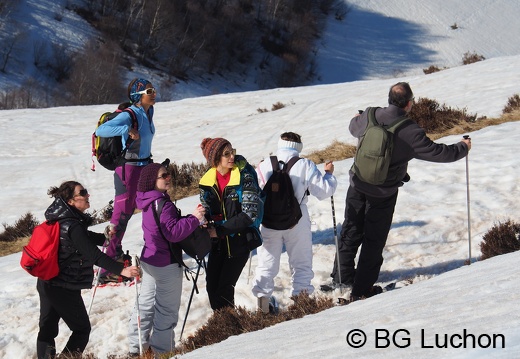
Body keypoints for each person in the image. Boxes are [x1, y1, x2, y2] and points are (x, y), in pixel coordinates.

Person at [328, 82, 471, 302]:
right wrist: (463, 146)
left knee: (351, 229)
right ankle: (361, 290)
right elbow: (440, 153)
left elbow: (352, 127)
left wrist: (359, 116)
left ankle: (341, 277)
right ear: (409, 104)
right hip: (383, 193)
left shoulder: (370, 115)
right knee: (373, 240)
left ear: (388, 98)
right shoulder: (410, 130)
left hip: (357, 184)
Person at [36, 181, 140, 359]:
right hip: (63, 286)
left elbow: (84, 239)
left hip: (47, 282)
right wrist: (122, 271)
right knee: (82, 330)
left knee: (47, 331)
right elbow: (95, 256)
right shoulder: (73, 225)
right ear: (70, 201)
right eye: (82, 193)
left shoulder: (62, 220)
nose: (87, 195)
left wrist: (104, 238)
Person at [251, 132, 337, 312]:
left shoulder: (264, 164)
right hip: (297, 221)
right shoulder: (304, 165)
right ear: (299, 146)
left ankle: (263, 308)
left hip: (268, 221)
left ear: (280, 144)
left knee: (266, 264)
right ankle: (301, 304)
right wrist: (328, 174)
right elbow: (324, 191)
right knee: (301, 263)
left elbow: (254, 194)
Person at [127, 163, 206, 357]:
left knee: (144, 305)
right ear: (152, 181)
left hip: (149, 260)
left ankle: (136, 347)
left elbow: (161, 228)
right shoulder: (164, 204)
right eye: (164, 176)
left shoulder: (146, 200)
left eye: (168, 174)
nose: (168, 178)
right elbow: (172, 233)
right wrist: (195, 218)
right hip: (165, 264)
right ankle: (162, 352)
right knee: (166, 311)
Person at [95, 78, 156, 282]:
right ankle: (106, 269)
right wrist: (125, 129)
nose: (154, 93)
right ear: (138, 95)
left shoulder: (148, 112)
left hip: (143, 167)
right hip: (128, 170)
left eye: (153, 89)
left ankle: (121, 255)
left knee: (148, 208)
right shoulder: (131, 114)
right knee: (120, 217)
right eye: (149, 90)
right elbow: (101, 131)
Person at [198, 137, 263, 311]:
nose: (232, 156)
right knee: (212, 288)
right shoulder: (206, 182)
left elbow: (250, 213)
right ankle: (224, 325)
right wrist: (202, 219)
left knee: (224, 289)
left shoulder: (245, 176)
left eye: (232, 151)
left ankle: (230, 331)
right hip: (217, 243)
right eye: (226, 154)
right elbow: (205, 209)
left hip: (240, 240)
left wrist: (219, 230)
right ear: (216, 158)